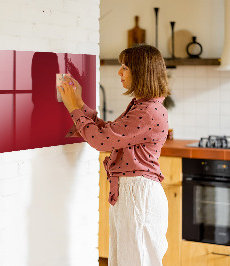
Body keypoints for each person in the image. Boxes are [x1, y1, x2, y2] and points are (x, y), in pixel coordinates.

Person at [58, 44, 170, 266]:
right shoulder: (143, 106)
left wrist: (73, 108)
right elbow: (109, 133)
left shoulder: (147, 111)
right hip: (133, 193)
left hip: (138, 195)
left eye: (125, 67)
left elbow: (101, 141)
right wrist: (79, 103)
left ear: (141, 72)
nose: (119, 72)